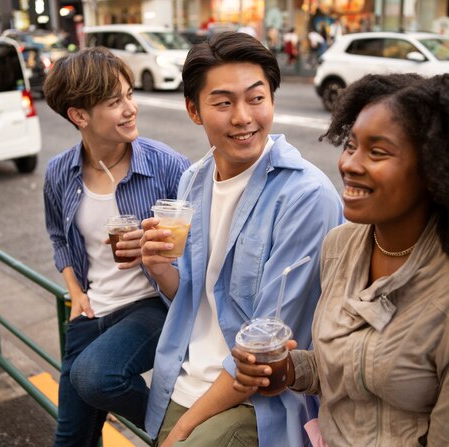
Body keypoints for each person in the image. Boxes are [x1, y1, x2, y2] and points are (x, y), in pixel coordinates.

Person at [233, 73, 449, 447]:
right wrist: (289, 370)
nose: (350, 164)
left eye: (377, 152)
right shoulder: (339, 246)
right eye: (350, 146)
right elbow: (347, 368)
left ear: (436, 171)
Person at [140, 31, 342, 447]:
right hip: (181, 376)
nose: (243, 117)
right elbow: (193, 297)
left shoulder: (306, 197)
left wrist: (182, 429)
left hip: (257, 400)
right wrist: (160, 269)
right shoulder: (193, 181)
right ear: (194, 110)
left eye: (256, 98)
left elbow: (267, 351)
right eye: (223, 102)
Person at [43, 47, 190, 447]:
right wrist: (75, 293)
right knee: (70, 438)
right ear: (79, 116)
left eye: (129, 95)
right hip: (92, 311)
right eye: (114, 102)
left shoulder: (166, 165)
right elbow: (58, 235)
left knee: (96, 376)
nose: (130, 109)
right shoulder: (60, 171)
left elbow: (201, 242)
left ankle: (187, 431)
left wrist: (159, 248)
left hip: (152, 304)